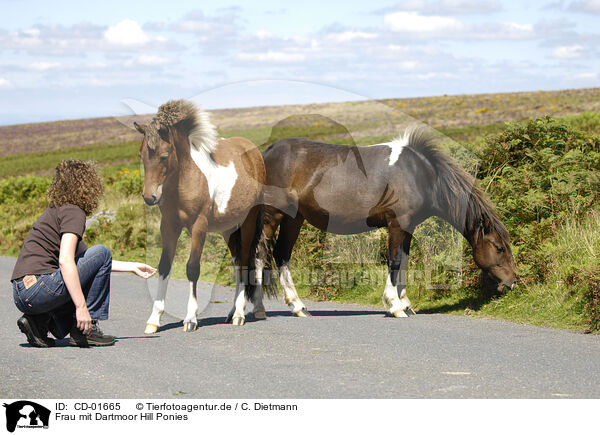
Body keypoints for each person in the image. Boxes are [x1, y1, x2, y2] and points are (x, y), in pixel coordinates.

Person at [10, 159, 156, 348]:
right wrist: (82, 308)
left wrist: (132, 267)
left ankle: (38, 323)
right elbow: (66, 261)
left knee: (64, 323)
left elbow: (92, 263)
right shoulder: (74, 212)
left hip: (23, 292)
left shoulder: (56, 211)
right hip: (39, 289)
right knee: (101, 251)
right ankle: (87, 330)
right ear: (88, 185)